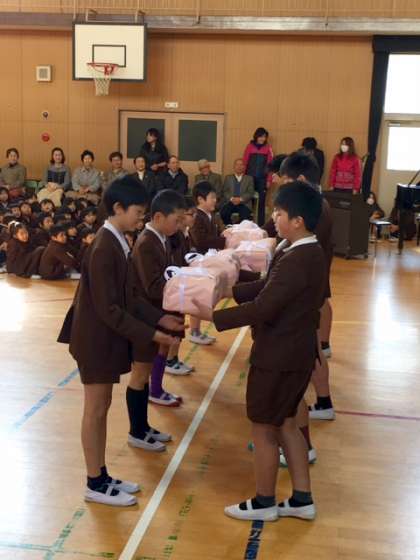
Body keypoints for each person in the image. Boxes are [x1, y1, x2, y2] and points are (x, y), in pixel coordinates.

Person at [194, 182, 326, 522]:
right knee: (286, 425)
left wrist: (212, 316)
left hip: (279, 356)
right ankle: (302, 498)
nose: (274, 218)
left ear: (297, 220)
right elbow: (268, 286)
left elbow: (264, 307)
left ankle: (264, 501)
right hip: (293, 353)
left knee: (263, 427)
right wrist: (228, 290)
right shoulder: (301, 250)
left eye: (279, 213)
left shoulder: (299, 258)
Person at [57, 176, 183, 507]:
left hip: (105, 338)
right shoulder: (103, 247)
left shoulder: (118, 241)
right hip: (94, 340)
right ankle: (94, 482)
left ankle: (101, 475)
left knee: (101, 407)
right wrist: (153, 334)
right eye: (138, 213)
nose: (141, 219)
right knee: (95, 409)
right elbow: (110, 309)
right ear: (118, 208)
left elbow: (131, 297)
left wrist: (160, 318)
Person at [130, 189, 187, 407]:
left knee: (161, 349)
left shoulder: (163, 238)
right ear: (158, 217)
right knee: (143, 366)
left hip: (162, 307)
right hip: (148, 311)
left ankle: (156, 389)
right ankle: (153, 392)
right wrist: (185, 288)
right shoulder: (146, 242)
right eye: (177, 220)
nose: (179, 225)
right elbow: (152, 286)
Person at [188, 181, 225, 345]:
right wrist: (224, 241)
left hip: (207, 261)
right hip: (198, 262)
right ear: (200, 199)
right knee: (197, 298)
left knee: (203, 298)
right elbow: (200, 240)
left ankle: (196, 330)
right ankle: (194, 331)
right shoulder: (197, 216)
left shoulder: (210, 215)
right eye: (212, 197)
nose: (215, 200)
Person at [166, 197, 197, 375]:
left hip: (182, 284)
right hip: (174, 287)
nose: (193, 218)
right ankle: (170, 360)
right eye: (190, 214)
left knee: (179, 323)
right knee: (173, 326)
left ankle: (174, 358)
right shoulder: (174, 236)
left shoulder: (185, 234)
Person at [243, 128, 274, 226]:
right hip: (250, 178)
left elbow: (270, 165)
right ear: (256, 136)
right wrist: (244, 177)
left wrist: (269, 180)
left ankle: (261, 225)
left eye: (264, 137)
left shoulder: (268, 148)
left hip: (262, 179)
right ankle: (248, 223)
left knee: (261, 202)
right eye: (260, 136)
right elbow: (245, 162)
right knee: (249, 201)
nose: (262, 139)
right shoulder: (250, 146)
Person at [220, 158, 255, 225]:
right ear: (234, 167)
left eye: (241, 165)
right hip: (230, 202)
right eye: (237, 165)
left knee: (246, 217)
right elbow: (224, 191)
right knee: (224, 213)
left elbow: (250, 192)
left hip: (244, 203)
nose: (239, 167)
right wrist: (232, 198)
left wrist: (240, 199)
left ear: (244, 167)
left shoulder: (249, 178)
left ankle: (237, 228)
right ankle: (230, 227)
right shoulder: (228, 178)